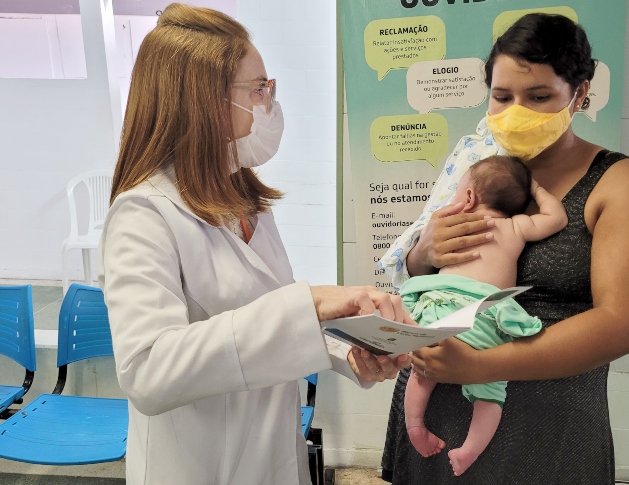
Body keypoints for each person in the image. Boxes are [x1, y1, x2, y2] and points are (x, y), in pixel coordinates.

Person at [98, 5, 411, 485]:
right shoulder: (144, 214)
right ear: (203, 101)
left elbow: (265, 324)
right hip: (199, 467)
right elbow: (147, 372)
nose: (270, 103)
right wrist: (309, 302)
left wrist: (347, 348)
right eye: (259, 89)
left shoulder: (243, 196)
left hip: (271, 456)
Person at [380, 13, 629, 484]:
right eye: (502, 96)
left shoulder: (621, 184)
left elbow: (625, 326)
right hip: (432, 416)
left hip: (545, 431)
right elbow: (416, 270)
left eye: (538, 97)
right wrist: (425, 250)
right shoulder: (473, 164)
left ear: (580, 94)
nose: (516, 111)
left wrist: (478, 365)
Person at [402, 155, 567, 476]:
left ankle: (415, 428)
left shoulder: (453, 225)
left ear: (468, 197)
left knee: (422, 372)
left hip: (443, 307)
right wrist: (535, 189)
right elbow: (556, 218)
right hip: (487, 317)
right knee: (490, 392)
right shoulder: (516, 226)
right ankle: (469, 451)